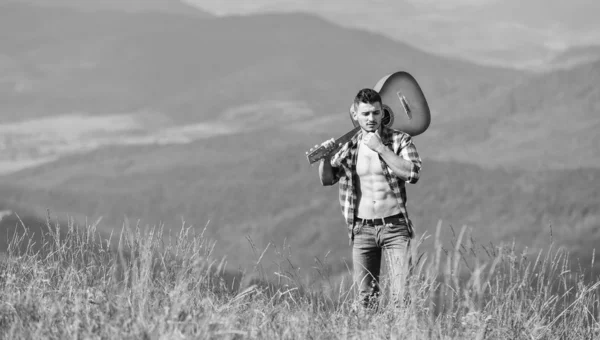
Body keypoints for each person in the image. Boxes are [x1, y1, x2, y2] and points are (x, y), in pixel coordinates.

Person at [318, 88, 422, 310]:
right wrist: (325, 159)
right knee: (366, 300)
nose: (371, 118)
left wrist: (381, 149)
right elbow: (327, 179)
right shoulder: (348, 146)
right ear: (355, 114)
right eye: (365, 113)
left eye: (375, 113)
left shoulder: (398, 140)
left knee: (402, 297)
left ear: (382, 112)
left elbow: (412, 173)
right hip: (362, 230)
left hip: (395, 227)